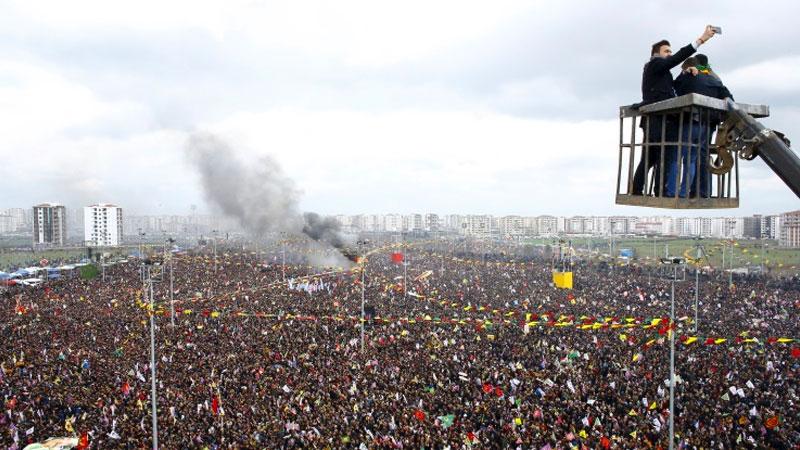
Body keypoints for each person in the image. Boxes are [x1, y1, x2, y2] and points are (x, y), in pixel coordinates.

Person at [631, 26, 717, 196]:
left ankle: (649, 190)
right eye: (666, 51)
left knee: (657, 159)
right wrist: (700, 40)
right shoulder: (655, 64)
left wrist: (685, 73)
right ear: (657, 53)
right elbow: (675, 59)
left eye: (670, 51)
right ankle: (647, 190)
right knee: (655, 159)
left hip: (660, 120)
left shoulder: (661, 72)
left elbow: (671, 89)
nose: (670, 54)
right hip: (657, 121)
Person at [670, 55, 734, 197]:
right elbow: (729, 98)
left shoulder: (690, 76)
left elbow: (676, 90)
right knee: (700, 157)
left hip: (690, 121)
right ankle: (703, 192)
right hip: (709, 124)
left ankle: (677, 192)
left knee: (680, 156)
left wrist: (684, 74)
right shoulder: (715, 79)